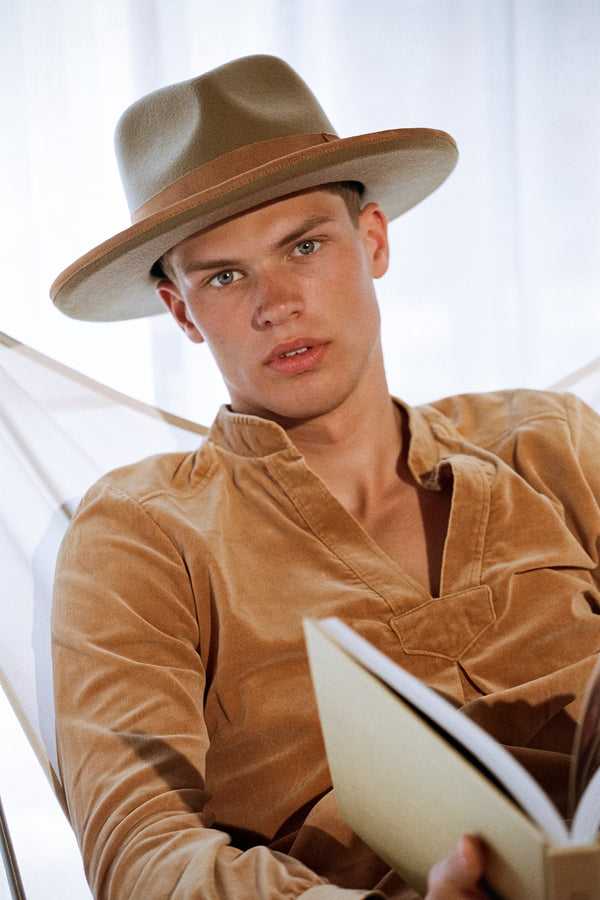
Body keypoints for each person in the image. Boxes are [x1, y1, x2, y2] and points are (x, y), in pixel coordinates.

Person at [50, 55, 600, 900]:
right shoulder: (142, 535)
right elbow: (139, 851)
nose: (277, 304)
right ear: (180, 311)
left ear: (373, 241)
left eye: (304, 246)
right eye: (225, 276)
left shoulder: (548, 443)